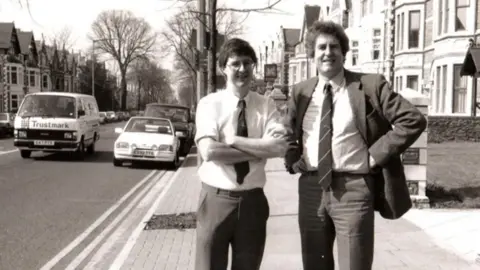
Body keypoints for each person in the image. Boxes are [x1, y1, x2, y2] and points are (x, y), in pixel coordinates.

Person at [284, 20, 427, 270]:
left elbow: (412, 120)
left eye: (334, 47)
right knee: (314, 264)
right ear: (312, 54)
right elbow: (286, 132)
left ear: (344, 52)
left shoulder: (370, 85)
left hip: (354, 189)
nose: (328, 52)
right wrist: (292, 157)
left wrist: (376, 155)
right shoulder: (301, 91)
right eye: (321, 48)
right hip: (310, 189)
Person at [194, 38, 288, 270]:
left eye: (248, 63)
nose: (242, 69)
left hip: (252, 202)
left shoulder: (266, 105)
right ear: (222, 68)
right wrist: (259, 149)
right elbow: (210, 151)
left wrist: (234, 141)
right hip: (216, 200)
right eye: (235, 63)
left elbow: (279, 148)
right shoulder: (209, 104)